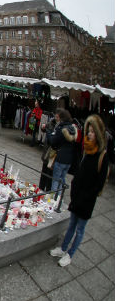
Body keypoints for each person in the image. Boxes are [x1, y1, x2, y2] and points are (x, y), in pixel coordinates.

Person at [50, 114, 109, 267]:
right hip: (77, 197)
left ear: (99, 134)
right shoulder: (87, 150)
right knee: (71, 225)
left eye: (92, 132)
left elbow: (99, 183)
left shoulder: (103, 155)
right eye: (89, 131)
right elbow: (80, 172)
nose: (89, 134)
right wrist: (75, 189)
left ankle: (70, 254)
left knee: (80, 229)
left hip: (87, 200)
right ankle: (63, 249)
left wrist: (85, 196)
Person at [47, 108, 77, 203]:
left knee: (56, 180)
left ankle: (53, 200)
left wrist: (48, 133)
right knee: (62, 178)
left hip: (60, 158)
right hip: (68, 160)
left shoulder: (62, 129)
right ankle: (60, 199)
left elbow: (53, 142)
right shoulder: (73, 129)